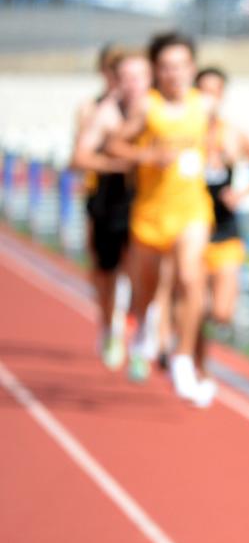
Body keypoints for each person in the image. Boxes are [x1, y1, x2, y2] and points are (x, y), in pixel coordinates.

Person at [106, 31, 215, 406]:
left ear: (192, 68)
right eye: (166, 67)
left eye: (181, 66)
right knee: (148, 291)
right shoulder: (146, 108)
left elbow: (215, 140)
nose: (174, 74)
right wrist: (147, 157)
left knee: (190, 276)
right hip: (151, 213)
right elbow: (115, 144)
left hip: (192, 209)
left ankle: (182, 359)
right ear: (157, 70)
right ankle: (142, 329)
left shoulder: (205, 105)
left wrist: (216, 157)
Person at [70, 48, 151, 369]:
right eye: (126, 77)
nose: (133, 84)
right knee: (106, 276)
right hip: (107, 202)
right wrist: (119, 163)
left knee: (142, 271)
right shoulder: (102, 111)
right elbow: (79, 157)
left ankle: (139, 334)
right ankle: (108, 327)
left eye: (140, 77)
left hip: (145, 204)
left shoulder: (155, 109)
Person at [193, 66, 249, 385]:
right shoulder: (184, 133)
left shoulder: (233, 135)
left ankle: (184, 331)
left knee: (221, 312)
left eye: (215, 91)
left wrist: (241, 193)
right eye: (203, 91)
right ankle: (195, 367)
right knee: (194, 306)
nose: (210, 97)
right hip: (192, 230)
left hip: (225, 231)